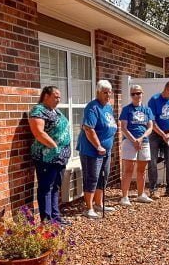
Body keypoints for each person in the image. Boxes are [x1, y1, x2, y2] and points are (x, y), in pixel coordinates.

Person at [28, 86, 72, 224]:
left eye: (59, 97)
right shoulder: (38, 110)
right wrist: (55, 147)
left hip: (59, 158)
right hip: (46, 157)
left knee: (55, 187)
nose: (58, 99)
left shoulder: (55, 111)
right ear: (46, 96)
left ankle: (55, 217)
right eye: (56, 96)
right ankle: (46, 221)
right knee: (46, 188)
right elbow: (38, 132)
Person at [78, 80, 118, 219]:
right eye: (105, 92)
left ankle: (98, 204)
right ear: (98, 92)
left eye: (109, 93)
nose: (108, 95)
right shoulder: (92, 107)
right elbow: (89, 129)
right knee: (92, 177)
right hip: (92, 150)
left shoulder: (108, 107)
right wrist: (98, 146)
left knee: (103, 177)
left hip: (105, 150)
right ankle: (88, 208)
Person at [119, 84, 155, 206]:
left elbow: (150, 127)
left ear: (142, 94)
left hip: (143, 142)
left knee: (141, 170)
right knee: (128, 170)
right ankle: (124, 197)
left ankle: (141, 194)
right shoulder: (126, 109)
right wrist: (134, 140)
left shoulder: (147, 110)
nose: (136, 96)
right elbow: (123, 127)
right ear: (131, 95)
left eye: (138, 93)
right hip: (129, 141)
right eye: (133, 94)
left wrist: (141, 138)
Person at [147, 80, 169, 198]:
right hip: (155, 134)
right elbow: (152, 121)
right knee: (153, 162)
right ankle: (153, 189)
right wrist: (162, 134)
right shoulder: (154, 100)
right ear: (166, 88)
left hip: (168, 134)